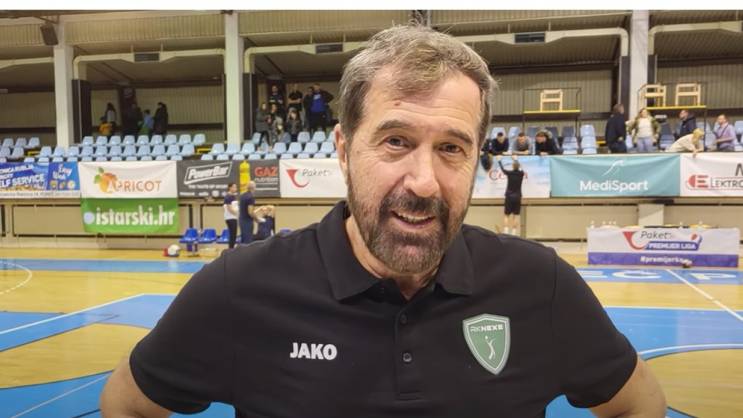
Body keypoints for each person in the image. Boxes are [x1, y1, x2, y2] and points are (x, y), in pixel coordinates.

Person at [101, 25, 665, 418]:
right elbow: (128, 404)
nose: (424, 182)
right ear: (344, 150)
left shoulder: (541, 286)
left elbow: (637, 403)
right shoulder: (238, 289)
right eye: (396, 141)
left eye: (451, 148)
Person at [496, 154, 524, 236]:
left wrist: (499, 160)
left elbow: (503, 169)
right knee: (516, 215)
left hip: (509, 196)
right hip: (517, 197)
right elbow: (520, 167)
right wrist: (515, 159)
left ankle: (506, 232)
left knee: (506, 215)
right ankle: (514, 233)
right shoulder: (521, 174)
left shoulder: (510, 173)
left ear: (512, 166)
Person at [238, 181, 256, 245]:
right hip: (247, 222)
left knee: (243, 240)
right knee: (248, 242)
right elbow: (250, 212)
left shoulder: (242, 196)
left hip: (241, 220)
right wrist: (257, 219)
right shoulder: (251, 197)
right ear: (253, 188)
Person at [222, 183, 239, 249]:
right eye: (234, 187)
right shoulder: (228, 196)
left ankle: (231, 248)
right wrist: (237, 214)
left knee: (233, 235)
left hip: (233, 217)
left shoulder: (233, 196)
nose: (236, 189)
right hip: (230, 218)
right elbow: (229, 208)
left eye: (236, 187)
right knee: (233, 235)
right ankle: (231, 249)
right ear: (230, 188)